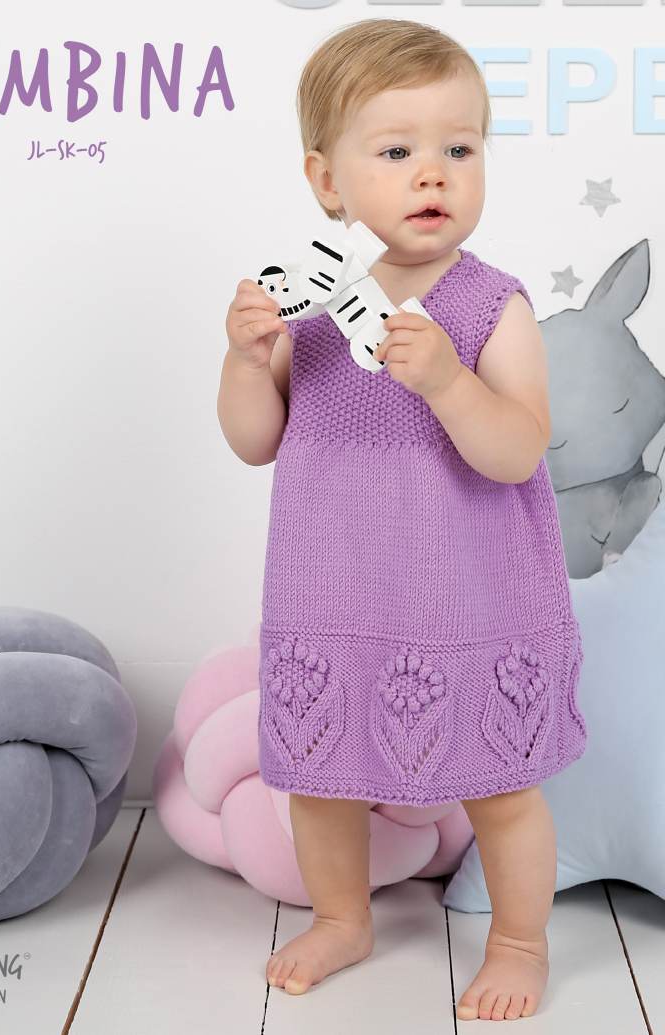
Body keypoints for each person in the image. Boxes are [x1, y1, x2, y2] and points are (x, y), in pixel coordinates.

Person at [217, 17, 587, 1023]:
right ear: (327, 182)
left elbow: (518, 449)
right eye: (394, 152)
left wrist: (450, 385)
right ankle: (342, 916)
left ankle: (518, 939)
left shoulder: (491, 307)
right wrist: (246, 361)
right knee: (320, 781)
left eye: (458, 148)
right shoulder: (308, 310)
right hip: (337, 599)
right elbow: (254, 439)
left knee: (501, 787)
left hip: (470, 603)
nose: (433, 173)